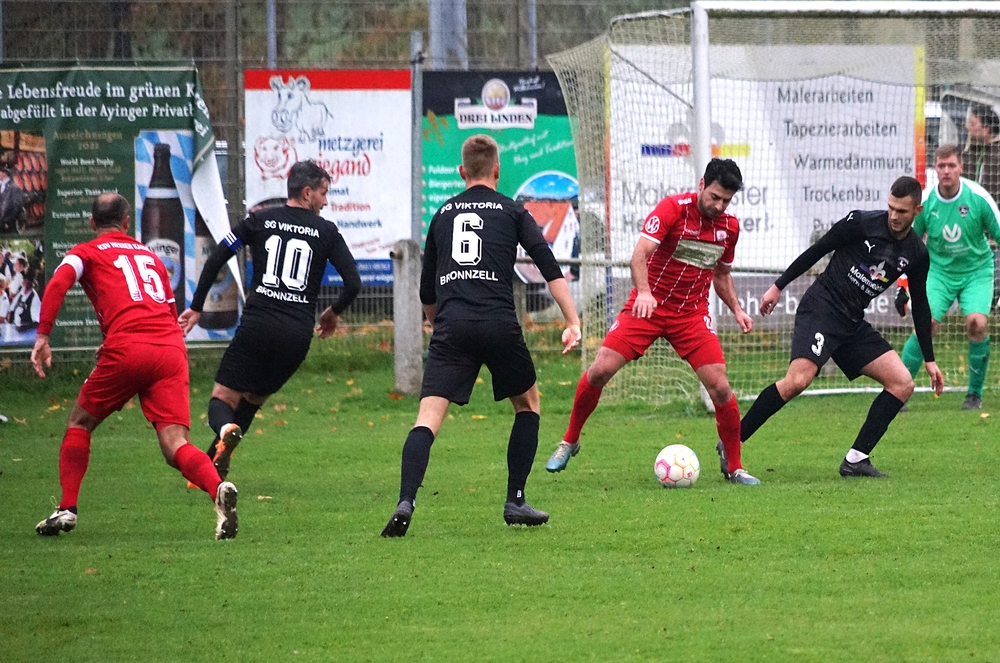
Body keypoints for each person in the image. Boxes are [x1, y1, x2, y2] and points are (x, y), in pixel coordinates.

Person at [380, 134, 582, 538]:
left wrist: (440, 326)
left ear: (461, 172)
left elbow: (426, 291)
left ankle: (406, 500)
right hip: (498, 322)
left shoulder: (442, 214)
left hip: (452, 324)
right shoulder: (512, 210)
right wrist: (572, 320)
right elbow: (547, 265)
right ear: (497, 170)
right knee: (527, 404)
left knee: (427, 418)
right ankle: (515, 500)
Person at [30, 192, 238, 540]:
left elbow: (57, 282)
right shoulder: (150, 257)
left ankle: (67, 508)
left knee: (79, 422)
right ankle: (218, 489)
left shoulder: (85, 252)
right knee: (175, 444)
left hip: (128, 349)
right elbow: (166, 312)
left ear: (92, 223)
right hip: (170, 349)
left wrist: (43, 336)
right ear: (127, 223)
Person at [543, 158, 759, 484]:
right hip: (648, 307)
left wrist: (737, 310)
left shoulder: (729, 228)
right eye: (715, 197)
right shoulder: (673, 209)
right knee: (600, 369)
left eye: (726, 201)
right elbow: (639, 255)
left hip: (690, 315)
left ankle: (735, 466)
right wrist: (644, 292)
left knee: (720, 387)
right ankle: (569, 440)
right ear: (702, 184)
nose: (719, 205)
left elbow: (722, 274)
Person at [739, 176, 944, 478]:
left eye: (901, 211)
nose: (893, 215)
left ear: (917, 210)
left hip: (851, 322)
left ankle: (856, 460)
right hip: (822, 308)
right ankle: (732, 441)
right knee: (798, 381)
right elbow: (818, 250)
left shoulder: (916, 253)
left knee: (902, 383)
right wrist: (778, 286)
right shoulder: (860, 223)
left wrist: (929, 359)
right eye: (890, 207)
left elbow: (921, 303)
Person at [179, 160, 361, 480]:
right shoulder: (327, 231)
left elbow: (218, 257)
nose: (325, 201)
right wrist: (333, 312)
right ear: (307, 193)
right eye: (323, 193)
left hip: (258, 326)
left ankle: (224, 431)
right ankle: (211, 467)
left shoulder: (259, 220)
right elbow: (353, 282)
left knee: (223, 398)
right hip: (296, 335)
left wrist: (196, 307)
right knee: (252, 399)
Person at [896, 145, 1000, 410]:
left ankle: (974, 395)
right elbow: (907, 245)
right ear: (935, 168)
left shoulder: (978, 198)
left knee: (977, 323)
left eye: (951, 165)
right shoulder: (926, 202)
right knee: (926, 324)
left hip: (976, 272)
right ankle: (898, 392)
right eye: (941, 166)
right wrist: (902, 286)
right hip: (938, 272)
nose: (946, 171)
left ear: (960, 168)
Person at [962, 103, 1000, 200]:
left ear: (986, 129)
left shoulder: (996, 154)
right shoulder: (969, 152)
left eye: (973, 124)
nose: (968, 127)